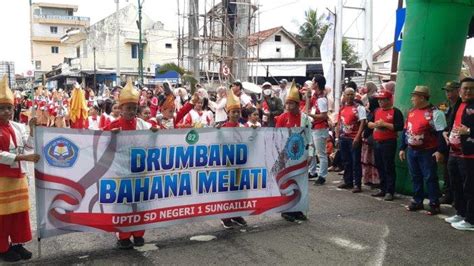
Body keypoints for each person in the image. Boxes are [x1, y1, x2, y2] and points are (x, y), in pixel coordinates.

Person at [103, 78, 158, 250]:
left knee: (140, 205)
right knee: (123, 207)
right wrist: (110, 137)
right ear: (120, 109)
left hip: (140, 172)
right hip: (121, 174)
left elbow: (154, 144)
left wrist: (155, 133)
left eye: (134, 108)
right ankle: (123, 235)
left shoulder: (143, 124)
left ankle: (139, 234)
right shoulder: (113, 126)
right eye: (128, 108)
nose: (132, 111)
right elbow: (103, 147)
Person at [0, 75, 40, 262]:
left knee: (19, 213)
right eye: (1, 109)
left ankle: (18, 244)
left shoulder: (17, 126)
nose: (6, 112)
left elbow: (30, 145)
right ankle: (2, 248)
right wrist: (24, 157)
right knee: (3, 216)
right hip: (2, 180)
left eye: (8, 108)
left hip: (18, 178)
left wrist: (31, 130)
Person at [399, 86, 447, 215]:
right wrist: (402, 148)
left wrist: (440, 151)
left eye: (414, 96)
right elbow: (405, 130)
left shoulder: (436, 113)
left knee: (430, 177)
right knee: (415, 176)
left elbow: (441, 133)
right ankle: (417, 201)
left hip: (428, 151)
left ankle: (434, 203)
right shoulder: (411, 111)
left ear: (422, 97)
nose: (412, 99)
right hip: (411, 150)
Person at [275, 81, 312, 222]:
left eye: (291, 103)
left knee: (301, 182)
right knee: (287, 182)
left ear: (297, 104)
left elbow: (310, 137)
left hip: (301, 156)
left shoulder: (305, 119)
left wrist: (310, 154)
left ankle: (298, 209)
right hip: (286, 156)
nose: (288, 106)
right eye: (287, 104)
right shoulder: (282, 118)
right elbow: (277, 137)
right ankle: (287, 210)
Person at [446, 78, 474, 231]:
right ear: (460, 90)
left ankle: (471, 219)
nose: (468, 91)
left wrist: (469, 131)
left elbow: (466, 129)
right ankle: (461, 213)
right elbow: (454, 123)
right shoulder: (458, 104)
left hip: (469, 155)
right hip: (454, 152)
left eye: (471, 88)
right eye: (465, 88)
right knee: (456, 184)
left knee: (469, 188)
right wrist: (447, 132)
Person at [218, 89, 248, 228]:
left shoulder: (243, 127)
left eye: (238, 112)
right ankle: (225, 216)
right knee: (227, 192)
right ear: (228, 113)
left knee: (239, 191)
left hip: (240, 164)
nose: (236, 114)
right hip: (226, 164)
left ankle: (237, 213)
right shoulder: (222, 128)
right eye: (233, 112)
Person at [368, 90, 404, 201]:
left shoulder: (395, 112)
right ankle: (382, 188)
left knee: (388, 166)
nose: (380, 102)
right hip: (377, 141)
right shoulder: (377, 111)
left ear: (389, 100)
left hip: (389, 142)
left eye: (383, 100)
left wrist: (385, 124)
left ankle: (390, 190)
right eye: (379, 100)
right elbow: (369, 123)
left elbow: (399, 126)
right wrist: (375, 125)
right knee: (379, 165)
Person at [336, 87, 367, 193]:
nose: (349, 97)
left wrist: (358, 137)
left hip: (354, 139)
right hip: (343, 138)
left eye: (351, 94)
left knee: (356, 162)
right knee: (346, 161)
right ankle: (347, 181)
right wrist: (337, 136)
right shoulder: (342, 108)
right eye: (347, 94)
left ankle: (357, 184)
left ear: (354, 95)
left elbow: (363, 122)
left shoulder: (359, 108)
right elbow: (339, 122)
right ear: (344, 95)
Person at [439, 81, 462, 204]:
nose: (448, 93)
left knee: (456, 170)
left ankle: (455, 196)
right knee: (447, 169)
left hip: (458, 141)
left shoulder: (462, 105)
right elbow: (441, 120)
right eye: (447, 91)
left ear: (458, 91)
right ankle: (448, 194)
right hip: (446, 139)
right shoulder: (445, 105)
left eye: (450, 90)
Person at [306, 75, 329, 186]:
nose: (312, 84)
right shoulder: (315, 96)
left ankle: (322, 176)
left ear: (317, 84)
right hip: (314, 126)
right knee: (312, 150)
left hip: (320, 128)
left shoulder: (321, 99)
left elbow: (324, 116)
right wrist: (308, 97)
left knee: (321, 153)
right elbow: (308, 107)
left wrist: (310, 115)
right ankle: (312, 171)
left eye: (313, 82)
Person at [361, 82, 380, 188]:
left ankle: (374, 179)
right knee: (368, 160)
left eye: (369, 103)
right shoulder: (371, 112)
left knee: (372, 160)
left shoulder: (375, 113)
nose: (367, 104)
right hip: (368, 139)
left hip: (373, 139)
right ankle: (369, 178)